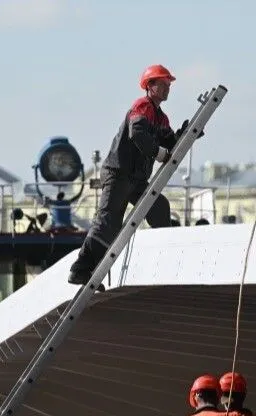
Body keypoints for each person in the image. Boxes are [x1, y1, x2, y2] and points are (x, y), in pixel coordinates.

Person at [67, 64, 201, 285]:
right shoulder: (142, 107)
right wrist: (158, 152)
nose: (168, 88)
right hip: (119, 173)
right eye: (163, 83)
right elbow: (137, 132)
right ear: (150, 86)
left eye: (169, 84)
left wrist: (188, 134)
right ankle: (81, 269)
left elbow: (170, 143)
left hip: (136, 178)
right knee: (108, 221)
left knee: (159, 207)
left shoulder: (161, 118)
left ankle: (167, 255)